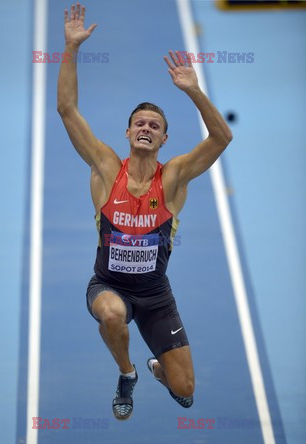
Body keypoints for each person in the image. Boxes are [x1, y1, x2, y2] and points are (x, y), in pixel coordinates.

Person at [57, 3, 233, 421]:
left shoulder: (172, 178)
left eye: (155, 125)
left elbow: (222, 137)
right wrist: (70, 48)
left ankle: (156, 368)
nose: (146, 128)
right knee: (113, 314)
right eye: (140, 122)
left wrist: (193, 90)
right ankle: (128, 373)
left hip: (155, 296)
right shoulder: (105, 168)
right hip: (108, 286)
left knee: (185, 392)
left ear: (165, 139)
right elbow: (67, 110)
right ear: (127, 132)